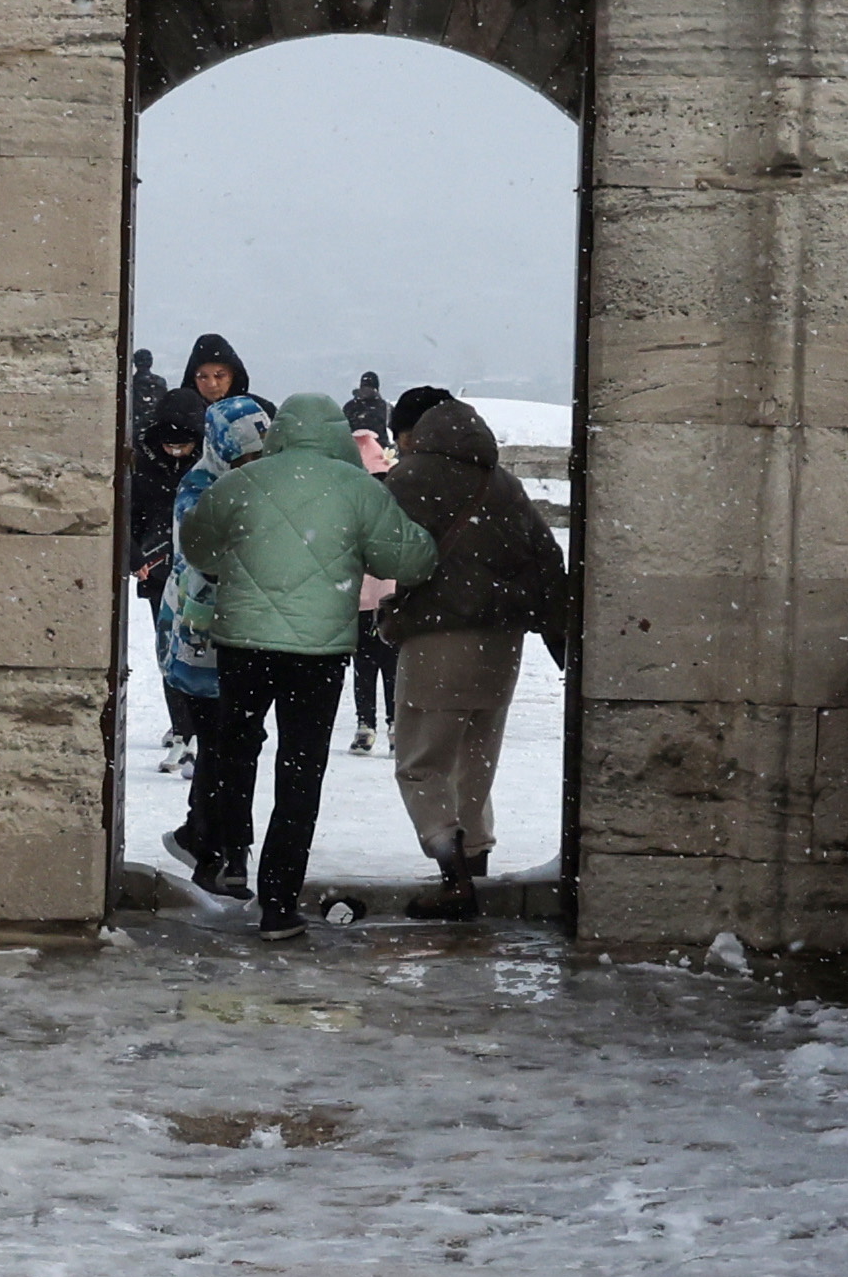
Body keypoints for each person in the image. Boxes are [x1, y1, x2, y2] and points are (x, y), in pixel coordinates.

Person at [163, 387, 429, 929]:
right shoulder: (359, 489)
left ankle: (229, 854)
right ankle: (279, 902)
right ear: (336, 433)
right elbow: (410, 557)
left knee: (237, 752)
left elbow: (199, 549)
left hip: (243, 645)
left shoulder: (240, 482)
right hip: (319, 651)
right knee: (301, 771)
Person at [376, 385, 575, 899]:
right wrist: (560, 637)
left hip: (439, 640)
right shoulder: (501, 482)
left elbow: (385, 554)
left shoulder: (410, 478)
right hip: (502, 645)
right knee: (475, 762)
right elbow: (547, 557)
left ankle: (452, 875)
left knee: (422, 763)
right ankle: (475, 863)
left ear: (411, 432)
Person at [139, 336, 272, 894]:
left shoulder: (231, 484)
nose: (249, 463)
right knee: (226, 744)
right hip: (206, 636)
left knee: (233, 745)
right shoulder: (201, 489)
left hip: (242, 634)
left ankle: (214, 844)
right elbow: (205, 559)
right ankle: (214, 845)